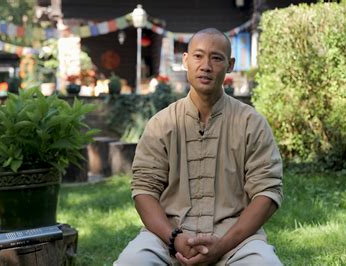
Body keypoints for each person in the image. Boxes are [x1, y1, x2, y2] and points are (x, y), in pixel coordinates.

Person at [115, 28, 283, 265]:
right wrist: (174, 238)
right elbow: (144, 191)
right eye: (198, 56)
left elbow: (267, 192)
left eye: (216, 58)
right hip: (167, 238)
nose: (206, 65)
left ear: (230, 65)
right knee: (132, 261)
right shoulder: (161, 124)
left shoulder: (251, 123)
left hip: (236, 241)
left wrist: (222, 245)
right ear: (185, 61)